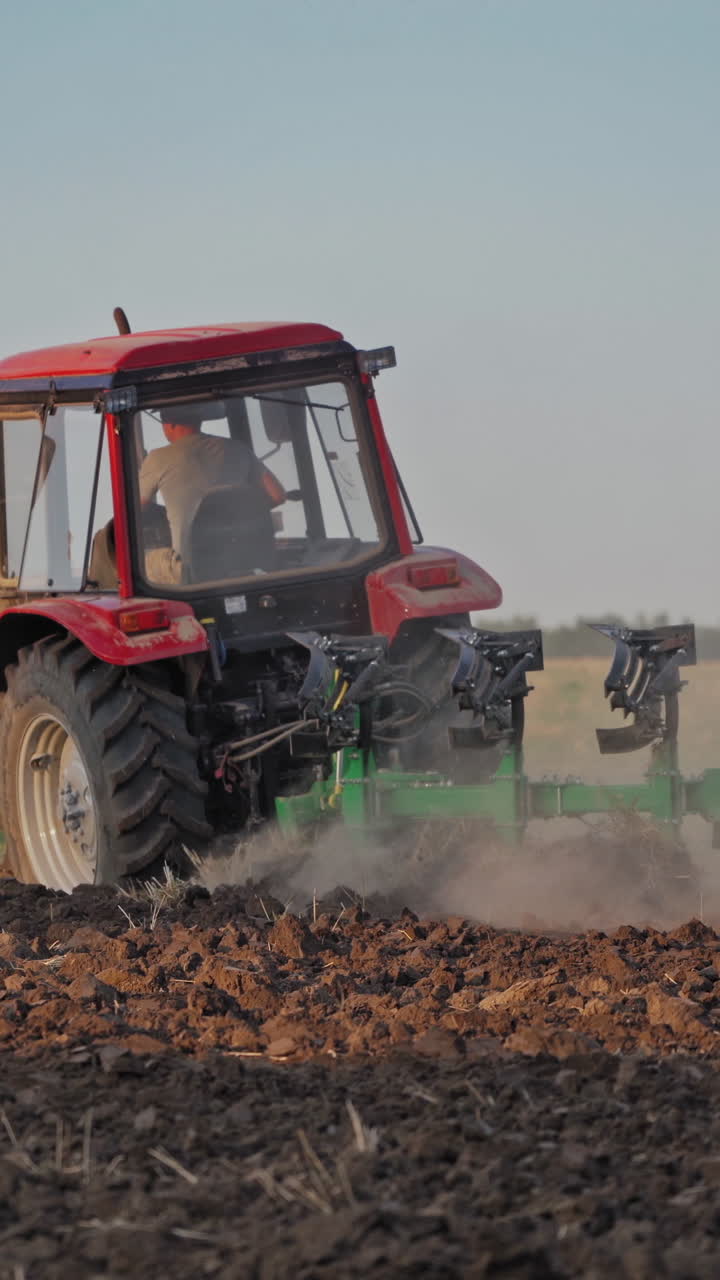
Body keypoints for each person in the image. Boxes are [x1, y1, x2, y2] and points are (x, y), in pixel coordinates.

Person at [138, 411, 286, 582]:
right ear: (199, 420)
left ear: (169, 425)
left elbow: (135, 512)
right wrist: (243, 514)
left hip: (189, 568)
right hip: (244, 561)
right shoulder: (238, 448)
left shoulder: (158, 458)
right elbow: (278, 495)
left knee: (136, 562)